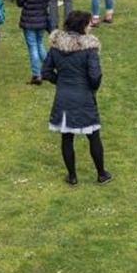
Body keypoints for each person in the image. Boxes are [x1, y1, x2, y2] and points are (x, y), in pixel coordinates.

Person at [42, 10, 110, 185]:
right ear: (82, 26)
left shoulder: (56, 47)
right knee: (94, 136)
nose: (90, 27)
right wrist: (90, 88)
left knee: (67, 138)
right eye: (88, 24)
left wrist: (61, 83)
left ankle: (72, 176)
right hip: (84, 97)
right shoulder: (90, 49)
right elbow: (95, 76)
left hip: (64, 97)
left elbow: (46, 72)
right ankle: (101, 174)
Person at [16, 0, 53, 85]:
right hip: (42, 19)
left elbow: (19, 2)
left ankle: (37, 74)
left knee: (33, 47)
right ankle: (49, 66)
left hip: (29, 21)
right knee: (39, 44)